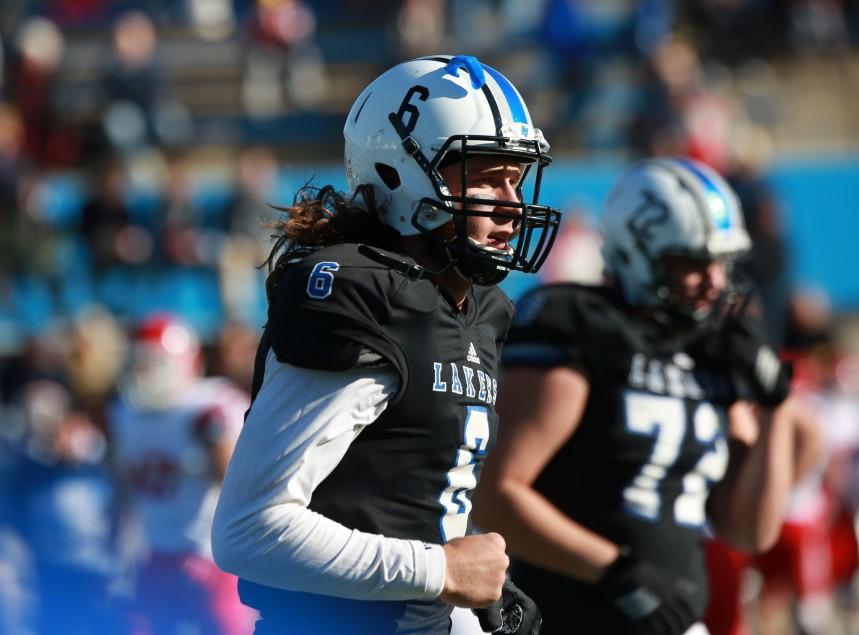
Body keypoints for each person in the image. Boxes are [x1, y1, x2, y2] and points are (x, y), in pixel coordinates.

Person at [210, 55, 562, 634]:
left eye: (516, 179)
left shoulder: (478, 309)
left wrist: (472, 598)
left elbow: (403, 503)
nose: (512, 204)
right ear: (401, 173)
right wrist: (440, 569)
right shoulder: (362, 298)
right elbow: (250, 530)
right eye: (486, 175)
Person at [472, 157, 801, 635]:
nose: (713, 281)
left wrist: (776, 406)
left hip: (677, 621)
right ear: (638, 252)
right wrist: (617, 572)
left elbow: (749, 530)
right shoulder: (581, 325)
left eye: (721, 262)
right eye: (692, 261)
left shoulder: (712, 352)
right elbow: (497, 494)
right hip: (569, 616)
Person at [109, 314, 253, 635]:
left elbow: (236, 484)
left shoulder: (207, 407)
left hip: (210, 557)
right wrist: (115, 546)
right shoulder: (124, 412)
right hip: (155, 553)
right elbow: (123, 487)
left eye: (154, 362)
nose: (144, 372)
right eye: (138, 362)